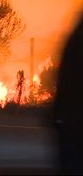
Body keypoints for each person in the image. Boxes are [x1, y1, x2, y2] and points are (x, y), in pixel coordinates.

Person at [54, 13, 83, 174]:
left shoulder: (75, 39)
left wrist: (57, 115)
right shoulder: (76, 40)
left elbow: (64, 81)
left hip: (71, 122)